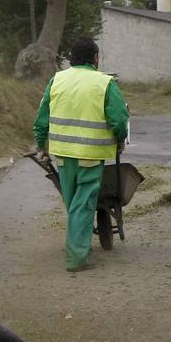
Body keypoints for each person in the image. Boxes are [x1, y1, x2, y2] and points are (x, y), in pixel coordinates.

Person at [32, 38, 130, 271]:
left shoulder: (57, 80)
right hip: (90, 154)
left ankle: (78, 243)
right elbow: (119, 119)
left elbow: (41, 118)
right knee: (83, 205)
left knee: (73, 202)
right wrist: (119, 141)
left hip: (63, 155)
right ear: (95, 58)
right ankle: (77, 258)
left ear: (71, 59)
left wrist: (40, 144)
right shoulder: (105, 83)